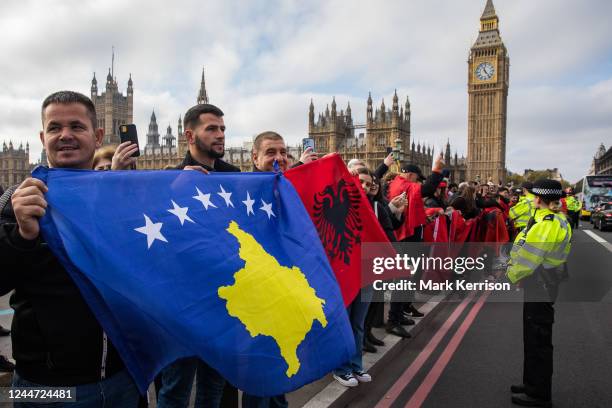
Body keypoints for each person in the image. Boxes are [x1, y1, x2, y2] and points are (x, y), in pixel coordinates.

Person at [0, 91, 140, 407]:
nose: (65, 135)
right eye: (55, 128)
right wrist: (23, 236)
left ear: (98, 134)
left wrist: (187, 191)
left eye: (76, 126)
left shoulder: (124, 203)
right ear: (42, 137)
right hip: (42, 386)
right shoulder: (16, 200)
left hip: (123, 379)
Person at [155, 103, 239, 408]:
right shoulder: (169, 177)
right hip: (184, 303)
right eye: (212, 129)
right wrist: (174, 188)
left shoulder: (234, 176)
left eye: (222, 129)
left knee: (213, 386)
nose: (220, 135)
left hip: (224, 299)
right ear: (189, 135)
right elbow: (151, 233)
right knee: (176, 387)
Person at [505, 179, 572, 408]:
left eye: (534, 196)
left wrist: (510, 274)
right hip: (546, 282)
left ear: (540, 199)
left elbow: (529, 258)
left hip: (539, 283)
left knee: (537, 338)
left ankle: (539, 394)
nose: (531, 199)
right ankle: (531, 383)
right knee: (533, 335)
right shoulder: (554, 219)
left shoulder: (547, 224)